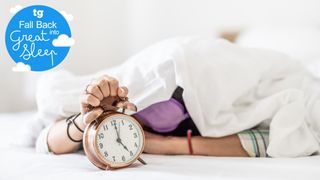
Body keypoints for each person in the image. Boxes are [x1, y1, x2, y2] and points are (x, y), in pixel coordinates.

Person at [35, 37, 320, 158]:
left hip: (185, 104)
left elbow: (266, 142)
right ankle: (83, 116)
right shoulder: (305, 88)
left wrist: (165, 146)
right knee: (58, 97)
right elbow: (47, 139)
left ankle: (83, 119)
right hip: (196, 63)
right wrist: (83, 121)